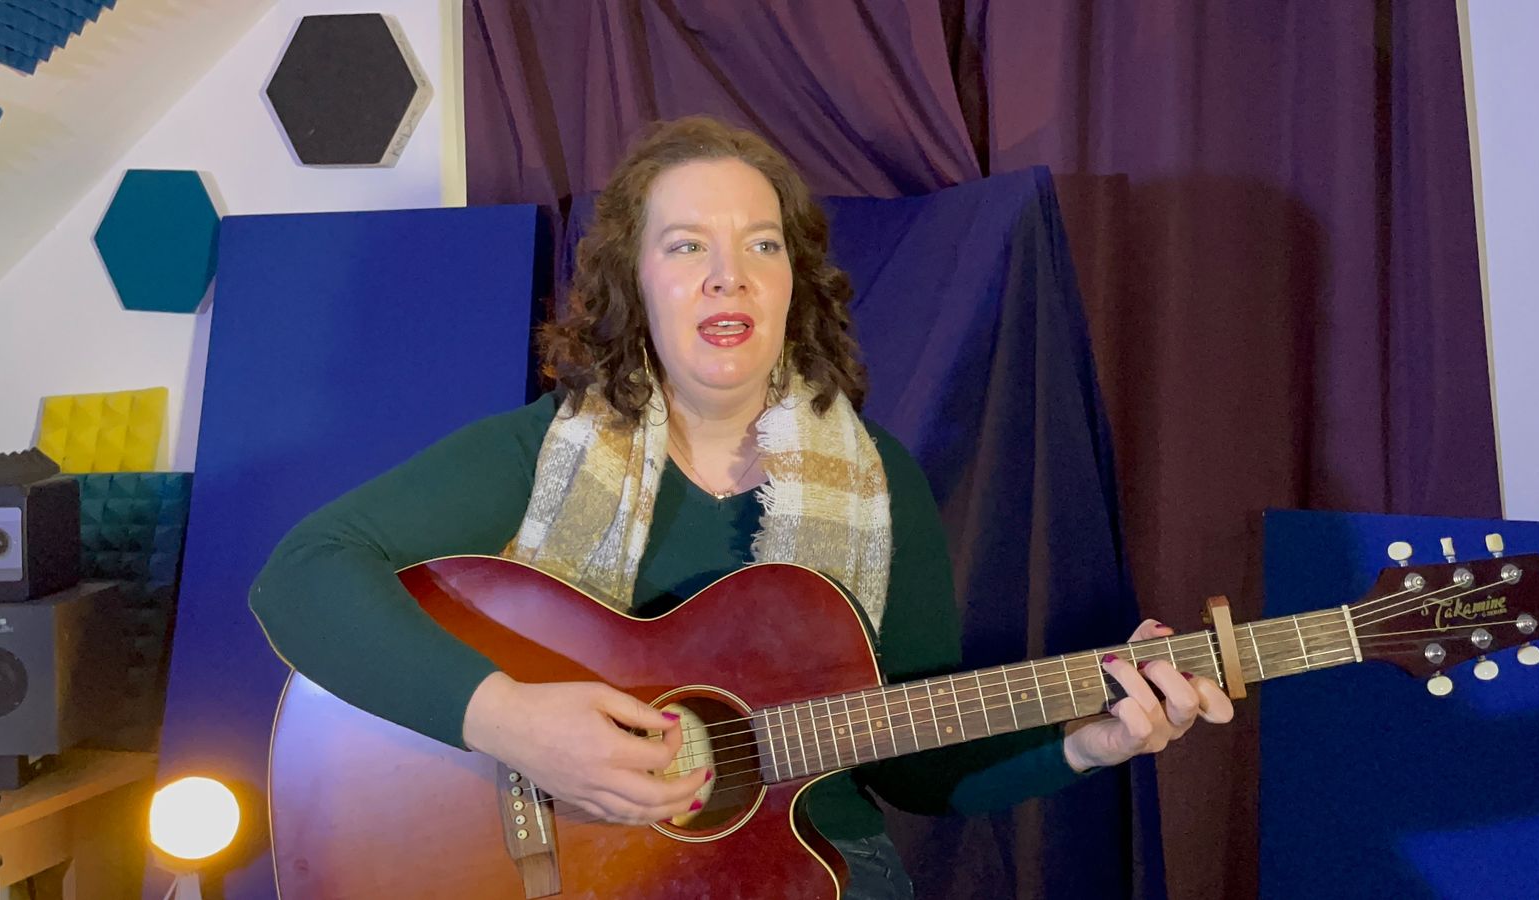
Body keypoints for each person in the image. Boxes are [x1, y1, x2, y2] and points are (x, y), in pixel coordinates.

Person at [248, 115, 1233, 898]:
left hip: (813, 871)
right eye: (687, 246)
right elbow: (299, 577)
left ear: (793, 283)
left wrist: (1093, 740)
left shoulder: (879, 479)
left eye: (762, 244)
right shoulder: (540, 452)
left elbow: (920, 771)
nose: (730, 274)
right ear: (632, 282)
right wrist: (509, 720)